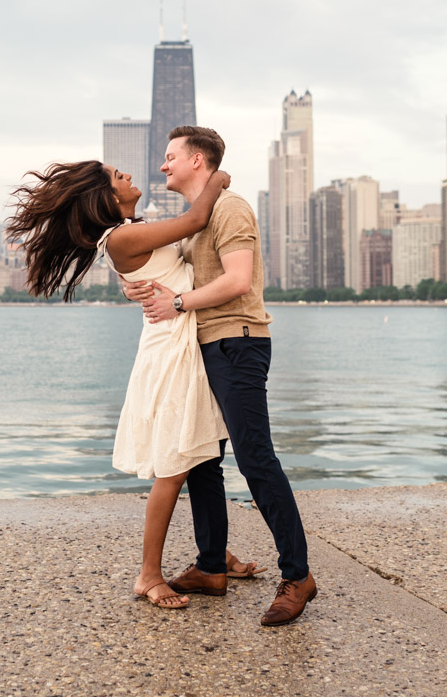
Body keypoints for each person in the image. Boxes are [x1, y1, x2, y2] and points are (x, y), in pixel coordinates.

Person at [6, 159, 263, 610]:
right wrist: (219, 180)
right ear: (104, 197)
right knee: (175, 464)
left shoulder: (131, 231)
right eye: (115, 177)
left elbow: (176, 253)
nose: (126, 175)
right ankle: (148, 575)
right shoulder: (123, 237)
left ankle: (213, 555)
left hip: (183, 340)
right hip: (170, 352)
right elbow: (195, 219)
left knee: (202, 454)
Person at [124, 126, 317, 627]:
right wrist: (144, 289)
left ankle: (298, 576)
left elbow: (235, 280)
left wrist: (178, 303)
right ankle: (212, 567)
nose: (163, 166)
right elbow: (176, 273)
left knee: (256, 458)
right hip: (205, 347)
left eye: (170, 157)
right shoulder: (196, 221)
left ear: (198, 160)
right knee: (204, 459)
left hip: (239, 341)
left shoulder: (229, 209)